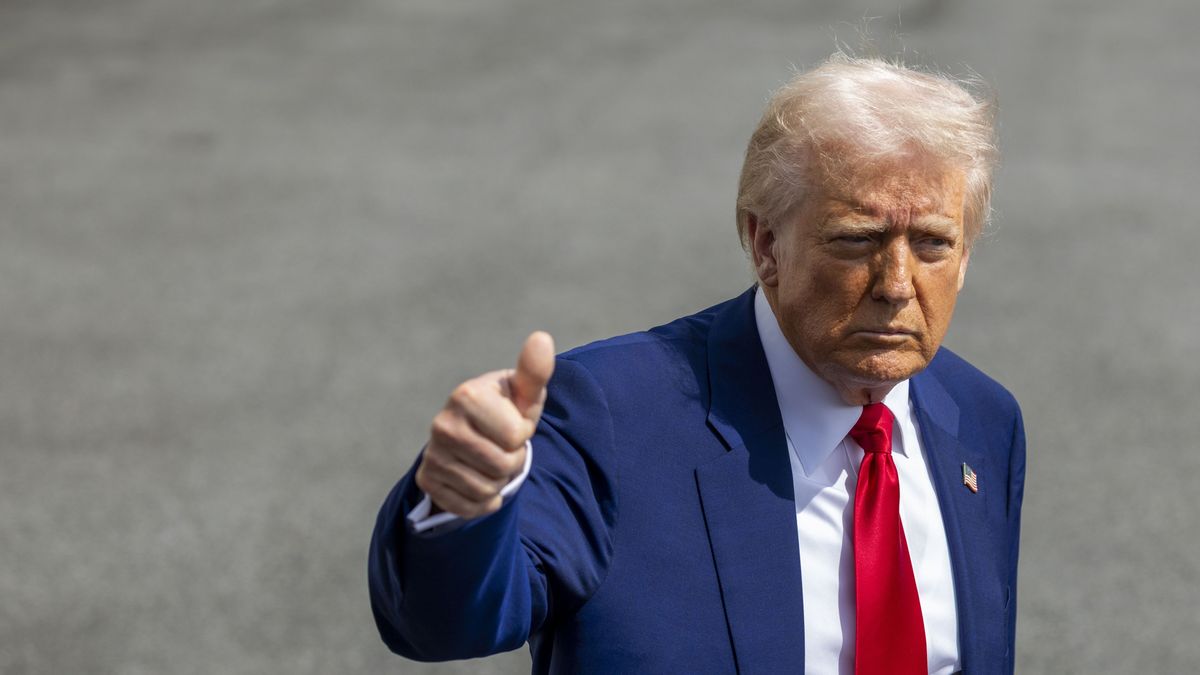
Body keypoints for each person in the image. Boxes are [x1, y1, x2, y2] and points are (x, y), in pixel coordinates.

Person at [369, 54, 1025, 675]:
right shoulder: (611, 415)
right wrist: (460, 507)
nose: (897, 283)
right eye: (858, 239)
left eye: (934, 243)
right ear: (765, 243)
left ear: (965, 257)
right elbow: (443, 623)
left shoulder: (982, 420)